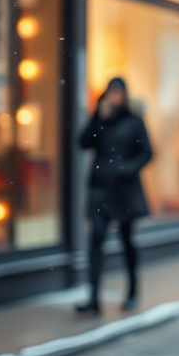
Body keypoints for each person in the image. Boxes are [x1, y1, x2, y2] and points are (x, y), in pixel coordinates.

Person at [75, 77, 153, 314]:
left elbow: (147, 152)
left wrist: (127, 169)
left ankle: (131, 292)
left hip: (125, 191)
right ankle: (93, 298)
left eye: (118, 93)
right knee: (96, 240)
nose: (114, 97)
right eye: (110, 93)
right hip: (100, 189)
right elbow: (83, 142)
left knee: (127, 241)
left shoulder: (134, 121)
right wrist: (97, 117)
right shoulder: (101, 120)